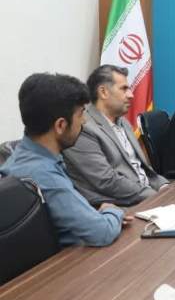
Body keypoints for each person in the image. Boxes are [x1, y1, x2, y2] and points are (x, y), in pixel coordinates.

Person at [0, 73, 126, 247]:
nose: (84, 121)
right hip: (68, 259)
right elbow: (102, 233)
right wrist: (112, 211)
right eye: (81, 114)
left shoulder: (20, 154)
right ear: (60, 125)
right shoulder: (44, 174)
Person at [63, 65, 168, 207]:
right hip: (122, 206)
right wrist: (155, 196)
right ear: (103, 92)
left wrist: (164, 187)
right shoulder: (83, 128)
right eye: (124, 89)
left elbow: (144, 169)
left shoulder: (122, 121)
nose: (131, 95)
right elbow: (106, 181)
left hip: (148, 195)